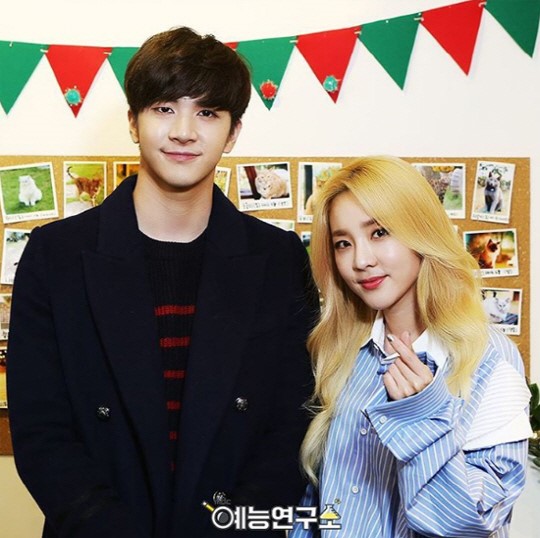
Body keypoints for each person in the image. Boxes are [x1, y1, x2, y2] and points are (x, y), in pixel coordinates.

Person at [7, 27, 318, 538]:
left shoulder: (278, 259)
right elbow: (42, 433)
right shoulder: (55, 255)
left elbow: (293, 423)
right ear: (133, 122)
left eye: (208, 112)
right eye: (165, 108)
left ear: (233, 133)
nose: (184, 131)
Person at [290, 156, 532, 538]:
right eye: (343, 243)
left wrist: (421, 418)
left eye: (379, 232)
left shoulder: (488, 359)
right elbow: (318, 503)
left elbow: (471, 524)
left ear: (421, 231)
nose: (360, 261)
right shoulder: (342, 353)